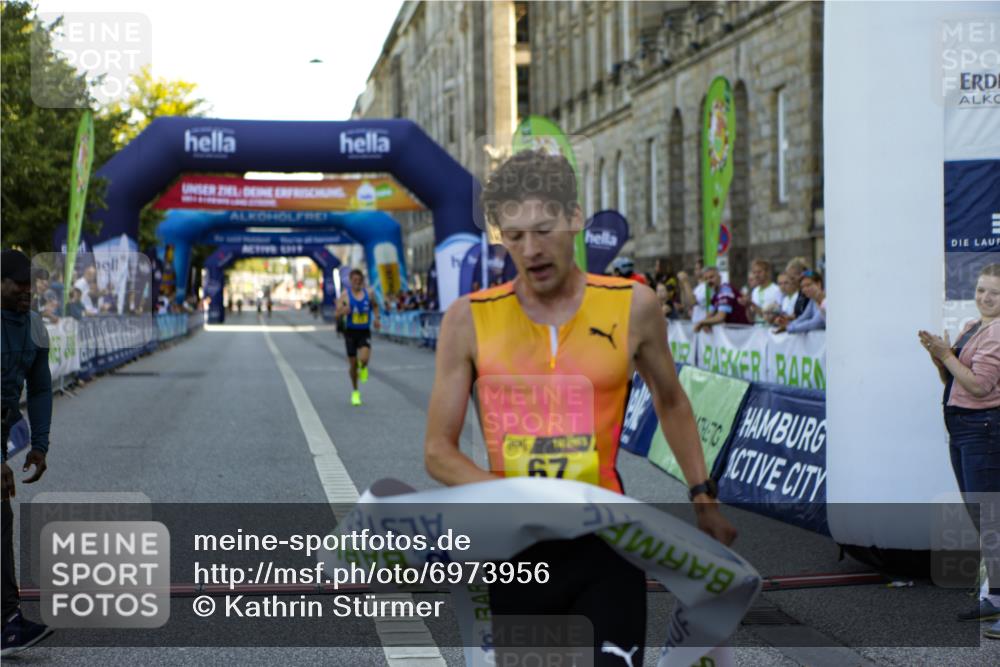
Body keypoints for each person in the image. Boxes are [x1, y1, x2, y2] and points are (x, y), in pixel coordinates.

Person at [424, 150, 736, 666]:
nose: (531, 249)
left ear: (574, 218)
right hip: (517, 553)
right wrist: (518, 495)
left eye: (543, 229)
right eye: (515, 235)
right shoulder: (467, 320)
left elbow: (671, 398)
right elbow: (438, 451)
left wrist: (702, 494)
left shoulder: (633, 306)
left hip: (607, 540)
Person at [919, 263, 1000, 640]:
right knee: (983, 515)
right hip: (963, 426)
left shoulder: (997, 332)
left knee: (989, 517)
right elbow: (952, 379)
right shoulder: (973, 326)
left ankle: (997, 601)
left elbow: (981, 386)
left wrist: (946, 355)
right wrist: (940, 357)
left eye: (994, 293)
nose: (985, 297)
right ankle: (995, 598)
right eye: (982, 289)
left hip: (982, 429)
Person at [1, 250, 54, 656]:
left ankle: (7, 620)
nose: (25, 290)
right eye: (16, 282)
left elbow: (38, 388)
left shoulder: (34, 325)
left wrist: (39, 444)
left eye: (29, 283)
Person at [335, 269, 380, 406]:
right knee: (353, 365)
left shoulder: (369, 294)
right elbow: (336, 314)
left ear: (362, 281)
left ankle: (364, 366)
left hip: (364, 331)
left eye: (359, 280)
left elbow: (375, 306)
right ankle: (355, 392)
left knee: (364, 358)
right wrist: (343, 311)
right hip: (350, 333)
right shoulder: (345, 295)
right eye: (354, 280)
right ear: (350, 281)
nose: (357, 283)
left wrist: (377, 318)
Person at [693, 266, 750, 332]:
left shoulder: (726, 290)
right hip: (733, 332)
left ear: (719, 277)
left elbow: (720, 317)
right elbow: (709, 314)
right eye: (706, 279)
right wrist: (706, 323)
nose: (709, 281)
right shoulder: (715, 294)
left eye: (711, 277)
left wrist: (702, 323)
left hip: (742, 331)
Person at [748, 259, 782, 325]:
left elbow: (778, 315)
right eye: (754, 272)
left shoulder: (776, 290)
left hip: (771, 332)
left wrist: (753, 305)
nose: (756, 275)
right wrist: (747, 306)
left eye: (759, 272)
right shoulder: (755, 291)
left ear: (767, 272)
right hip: (757, 331)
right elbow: (751, 318)